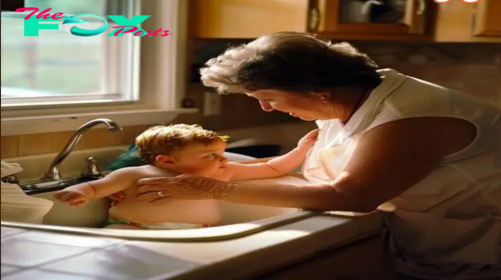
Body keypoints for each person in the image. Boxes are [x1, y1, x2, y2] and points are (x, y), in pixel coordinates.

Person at [132, 32, 501, 279]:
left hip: (481, 252)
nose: (266, 109)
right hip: (436, 245)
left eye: (269, 97)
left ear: (315, 89)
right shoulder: (347, 100)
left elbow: (354, 195)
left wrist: (213, 190)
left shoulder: (409, 116)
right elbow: (320, 178)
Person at [53, 123, 318, 230]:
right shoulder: (137, 173)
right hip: (134, 230)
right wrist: (81, 193)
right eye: (209, 155)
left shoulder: (223, 171)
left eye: (220, 152)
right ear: (167, 160)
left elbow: (273, 169)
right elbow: (100, 186)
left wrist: (300, 150)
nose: (222, 160)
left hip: (198, 234)